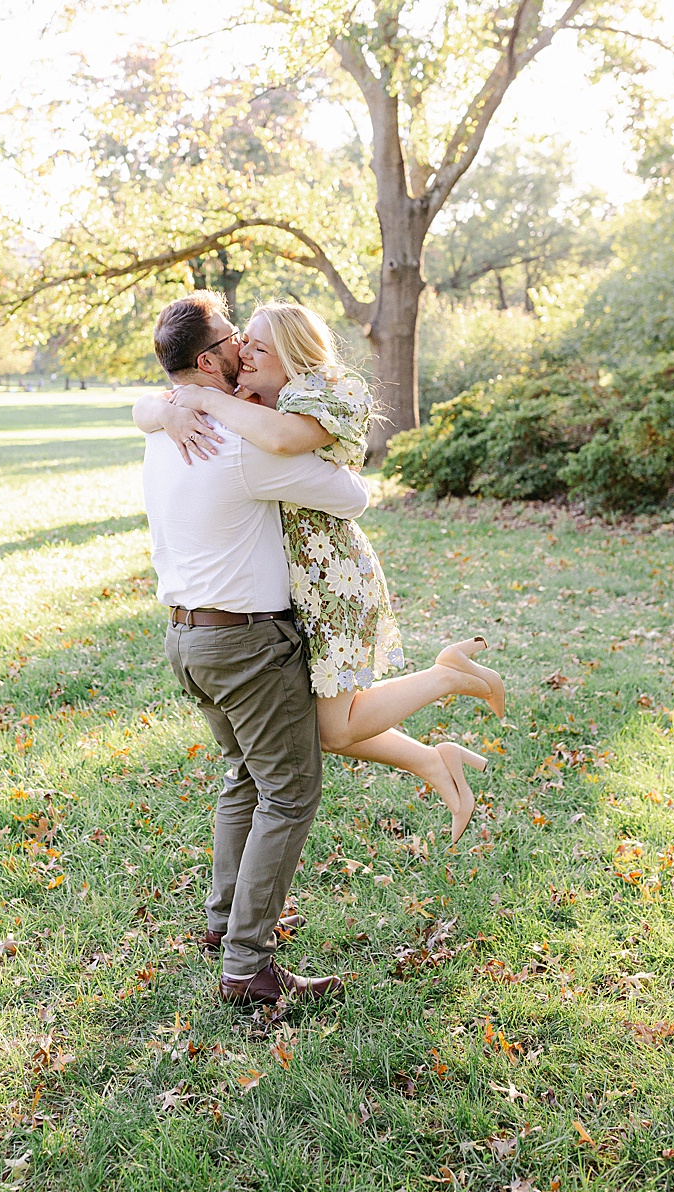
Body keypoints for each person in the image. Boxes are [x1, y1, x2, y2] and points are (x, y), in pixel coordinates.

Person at [135, 299, 502, 844]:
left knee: (334, 726)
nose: (244, 348)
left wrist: (198, 400)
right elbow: (146, 406)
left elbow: (311, 462)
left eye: (258, 344)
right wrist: (167, 407)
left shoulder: (319, 396)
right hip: (296, 584)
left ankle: (447, 676)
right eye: (241, 340)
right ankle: (431, 757)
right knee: (320, 728)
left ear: (292, 356)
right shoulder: (239, 400)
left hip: (331, 577)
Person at [141, 291, 366, 1005]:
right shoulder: (239, 445)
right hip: (245, 645)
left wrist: (163, 406)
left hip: (187, 640)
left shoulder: (164, 430)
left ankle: (223, 922)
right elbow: (352, 496)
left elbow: (149, 408)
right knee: (291, 791)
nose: (245, 345)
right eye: (236, 337)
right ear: (209, 360)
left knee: (244, 775)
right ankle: (247, 964)